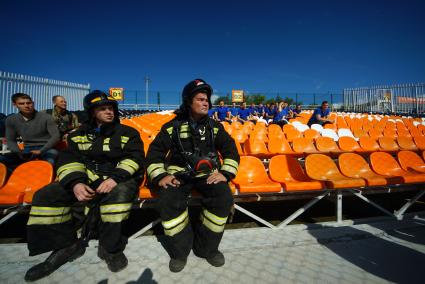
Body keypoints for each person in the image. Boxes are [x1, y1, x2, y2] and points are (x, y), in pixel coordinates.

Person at [24, 90, 145, 281]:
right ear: (91, 112)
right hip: (85, 177)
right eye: (103, 109)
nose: (109, 112)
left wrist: (114, 179)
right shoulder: (76, 135)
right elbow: (69, 160)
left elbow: (135, 158)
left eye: (111, 108)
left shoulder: (128, 133)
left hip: (118, 178)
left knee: (118, 197)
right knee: (47, 195)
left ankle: (109, 248)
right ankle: (66, 246)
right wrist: (76, 183)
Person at [146, 79, 239, 273]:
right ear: (189, 101)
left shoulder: (215, 127)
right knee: (168, 201)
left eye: (207, 100)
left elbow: (231, 151)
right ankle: (180, 252)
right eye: (200, 99)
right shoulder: (171, 127)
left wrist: (225, 173)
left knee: (223, 197)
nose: (206, 103)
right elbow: (154, 154)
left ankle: (207, 248)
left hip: (208, 175)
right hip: (178, 175)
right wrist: (160, 176)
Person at [0, 93, 60, 172]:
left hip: (46, 148)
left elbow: (56, 136)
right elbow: (11, 140)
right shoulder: (11, 119)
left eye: (29, 103)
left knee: (49, 161)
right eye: (21, 103)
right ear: (15, 105)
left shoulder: (46, 117)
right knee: (2, 159)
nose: (26, 106)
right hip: (27, 150)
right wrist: (18, 153)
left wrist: (40, 151)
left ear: (33, 103)